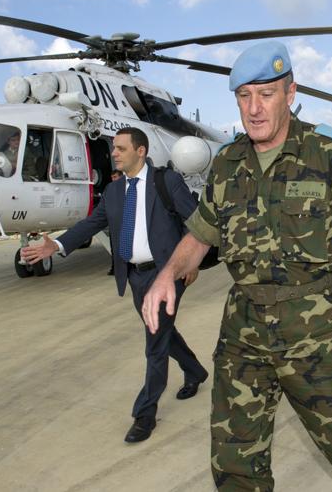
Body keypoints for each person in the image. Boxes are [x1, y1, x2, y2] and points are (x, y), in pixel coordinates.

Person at [142, 41, 332, 491]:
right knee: (234, 462)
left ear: (290, 93)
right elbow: (201, 233)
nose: (254, 108)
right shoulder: (227, 162)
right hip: (243, 332)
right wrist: (167, 274)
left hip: (318, 333)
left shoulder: (327, 150)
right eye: (244, 96)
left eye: (266, 94)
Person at [20, 127, 208, 444]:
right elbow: (92, 224)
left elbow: (197, 222)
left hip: (166, 274)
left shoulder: (166, 181)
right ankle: (195, 371)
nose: (114, 153)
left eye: (121, 148)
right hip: (134, 276)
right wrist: (58, 245)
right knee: (161, 332)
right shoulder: (114, 191)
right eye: (114, 148)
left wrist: (191, 263)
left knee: (155, 342)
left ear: (141, 151)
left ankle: (144, 414)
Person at [107, 169, 124, 275]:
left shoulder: (128, 188)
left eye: (115, 177)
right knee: (114, 248)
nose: (113, 180)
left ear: (121, 177)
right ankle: (115, 268)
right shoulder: (110, 190)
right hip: (114, 224)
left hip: (125, 223)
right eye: (112, 178)